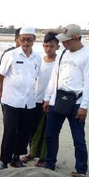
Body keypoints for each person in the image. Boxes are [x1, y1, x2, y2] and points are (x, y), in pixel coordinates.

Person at [43, 24, 89, 175]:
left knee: (78, 138)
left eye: (67, 41)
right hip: (58, 98)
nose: (64, 44)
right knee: (51, 134)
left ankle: (81, 170)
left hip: (77, 102)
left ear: (76, 38)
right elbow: (55, 77)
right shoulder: (62, 54)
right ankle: (50, 164)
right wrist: (48, 98)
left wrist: (84, 106)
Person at [0, 26, 42, 170]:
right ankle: (4, 160)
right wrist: (1, 91)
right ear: (19, 39)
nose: (26, 43)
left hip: (29, 101)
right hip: (12, 99)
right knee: (10, 130)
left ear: (34, 40)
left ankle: (16, 158)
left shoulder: (37, 58)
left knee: (24, 131)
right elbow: (0, 75)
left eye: (29, 39)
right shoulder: (11, 55)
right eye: (23, 39)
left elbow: (36, 78)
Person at [22, 31, 59, 167]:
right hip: (35, 99)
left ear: (57, 47)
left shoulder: (59, 63)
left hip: (50, 101)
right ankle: (32, 152)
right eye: (46, 46)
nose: (48, 49)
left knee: (47, 131)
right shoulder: (38, 60)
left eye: (52, 46)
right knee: (33, 128)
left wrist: (49, 99)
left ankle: (43, 157)